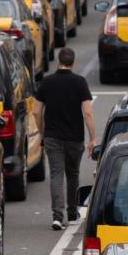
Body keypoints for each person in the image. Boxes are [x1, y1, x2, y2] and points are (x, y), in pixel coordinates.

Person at [34, 48, 97, 230]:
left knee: (56, 175)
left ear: (58, 62)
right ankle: (72, 212)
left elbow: (36, 111)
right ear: (73, 62)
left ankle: (57, 216)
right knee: (73, 174)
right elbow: (87, 112)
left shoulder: (47, 82)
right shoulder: (79, 82)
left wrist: (42, 132)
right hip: (74, 138)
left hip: (52, 136)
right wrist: (92, 139)